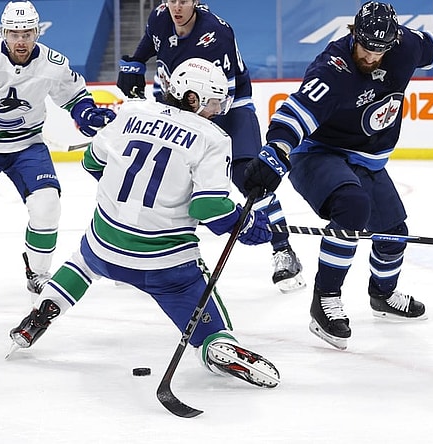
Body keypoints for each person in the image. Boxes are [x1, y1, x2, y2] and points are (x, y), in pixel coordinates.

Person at [242, 1, 433, 350]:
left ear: (393, 41)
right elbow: (296, 113)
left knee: (393, 232)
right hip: (319, 154)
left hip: (367, 161)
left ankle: (382, 295)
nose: (370, 57)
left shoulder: (405, 46)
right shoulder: (333, 68)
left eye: (379, 50)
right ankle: (325, 300)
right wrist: (275, 150)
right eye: (365, 47)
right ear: (354, 34)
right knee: (351, 208)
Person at [9, 58, 280, 388]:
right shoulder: (213, 137)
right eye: (211, 102)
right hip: (166, 267)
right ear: (192, 98)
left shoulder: (131, 112)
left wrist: (124, 198)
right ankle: (215, 344)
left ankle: (40, 313)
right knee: (202, 314)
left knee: (83, 259)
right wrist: (246, 223)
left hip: (105, 244)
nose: (215, 111)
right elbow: (208, 206)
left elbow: (92, 161)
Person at [0, 1, 115, 309]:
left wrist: (88, 114)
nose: (21, 41)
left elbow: (76, 97)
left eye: (27, 33)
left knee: (47, 204)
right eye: (14, 33)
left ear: (37, 32)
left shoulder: (53, 63)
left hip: (26, 145)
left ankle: (38, 273)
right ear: (3, 33)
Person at [116, 0, 305, 294]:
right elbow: (145, 50)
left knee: (250, 177)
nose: (177, 8)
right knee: (167, 180)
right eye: (171, 0)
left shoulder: (216, 34)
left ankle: (283, 249)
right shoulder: (160, 18)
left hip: (226, 106)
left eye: (184, 1)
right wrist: (134, 66)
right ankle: (158, 255)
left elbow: (218, 101)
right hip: (178, 107)